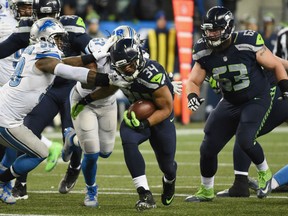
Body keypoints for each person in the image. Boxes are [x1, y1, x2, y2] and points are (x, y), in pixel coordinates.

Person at [0, 17, 115, 204]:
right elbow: (67, 71)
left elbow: (66, 61)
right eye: (57, 37)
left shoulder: (35, 51)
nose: (61, 42)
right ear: (45, 37)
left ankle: (4, 183)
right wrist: (105, 79)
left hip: (7, 114)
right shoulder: (44, 57)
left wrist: (92, 57)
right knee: (40, 153)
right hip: (6, 119)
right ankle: (2, 182)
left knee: (11, 153)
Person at [184, 6, 288, 202]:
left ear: (228, 28)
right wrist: (192, 96)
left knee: (245, 139)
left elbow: (275, 64)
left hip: (257, 97)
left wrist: (285, 88)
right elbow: (193, 80)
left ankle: (265, 173)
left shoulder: (248, 41)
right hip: (230, 100)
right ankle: (206, 190)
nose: (211, 34)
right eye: (208, 30)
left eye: (215, 30)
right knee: (208, 146)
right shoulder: (203, 50)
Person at [73, 37, 178, 211]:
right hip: (136, 114)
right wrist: (87, 99)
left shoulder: (152, 73)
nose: (127, 69)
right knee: (128, 139)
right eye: (121, 67)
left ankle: (170, 179)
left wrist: (146, 123)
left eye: (129, 65)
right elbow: (112, 86)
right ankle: (145, 194)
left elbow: (166, 108)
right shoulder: (119, 71)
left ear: (138, 58)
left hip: (161, 118)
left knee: (167, 164)